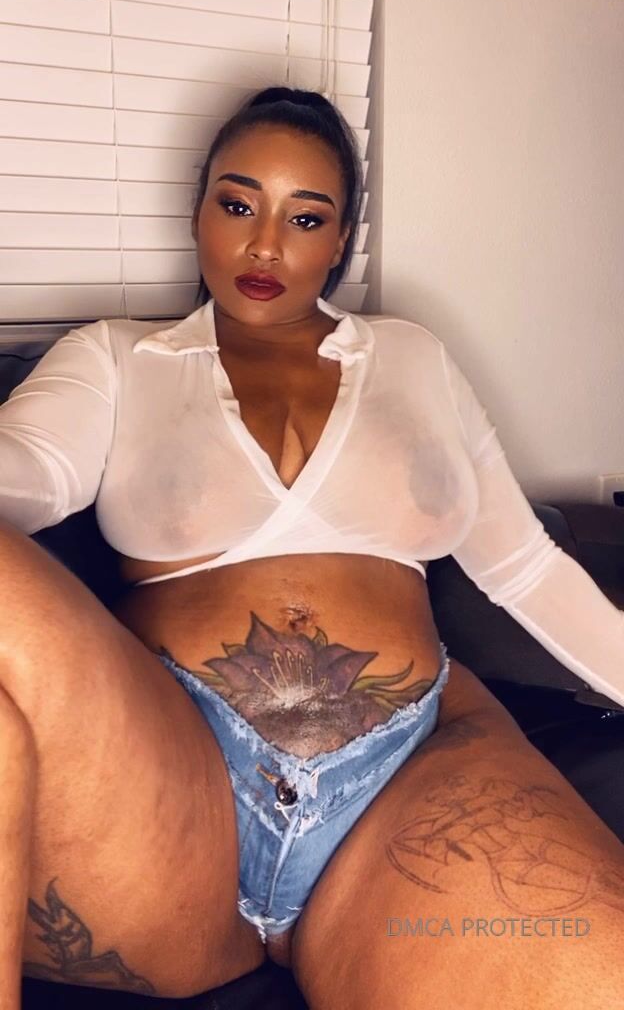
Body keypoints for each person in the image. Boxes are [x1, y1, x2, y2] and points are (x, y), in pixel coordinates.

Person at [0, 85, 623, 1010]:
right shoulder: (119, 358)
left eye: (305, 218)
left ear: (339, 242)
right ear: (199, 211)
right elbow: (22, 475)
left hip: (408, 781)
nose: (264, 245)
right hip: (165, 783)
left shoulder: (413, 357)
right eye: (238, 204)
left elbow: (525, 568)